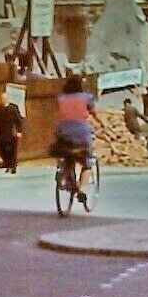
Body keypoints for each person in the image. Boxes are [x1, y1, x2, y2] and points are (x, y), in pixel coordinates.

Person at [53, 73, 97, 202]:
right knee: (87, 163)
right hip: (81, 133)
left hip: (62, 132)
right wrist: (101, 123)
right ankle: (80, 188)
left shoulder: (61, 98)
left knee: (66, 156)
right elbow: (93, 112)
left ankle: (66, 176)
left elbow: (59, 113)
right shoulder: (86, 97)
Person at [0, 92, 24, 174]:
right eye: (2, 98)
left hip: (12, 132)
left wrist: (19, 131)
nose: (3, 100)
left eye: (4, 98)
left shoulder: (13, 108)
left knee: (12, 151)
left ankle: (13, 167)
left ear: (7, 98)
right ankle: (7, 164)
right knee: (2, 149)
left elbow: (19, 120)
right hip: (2, 133)